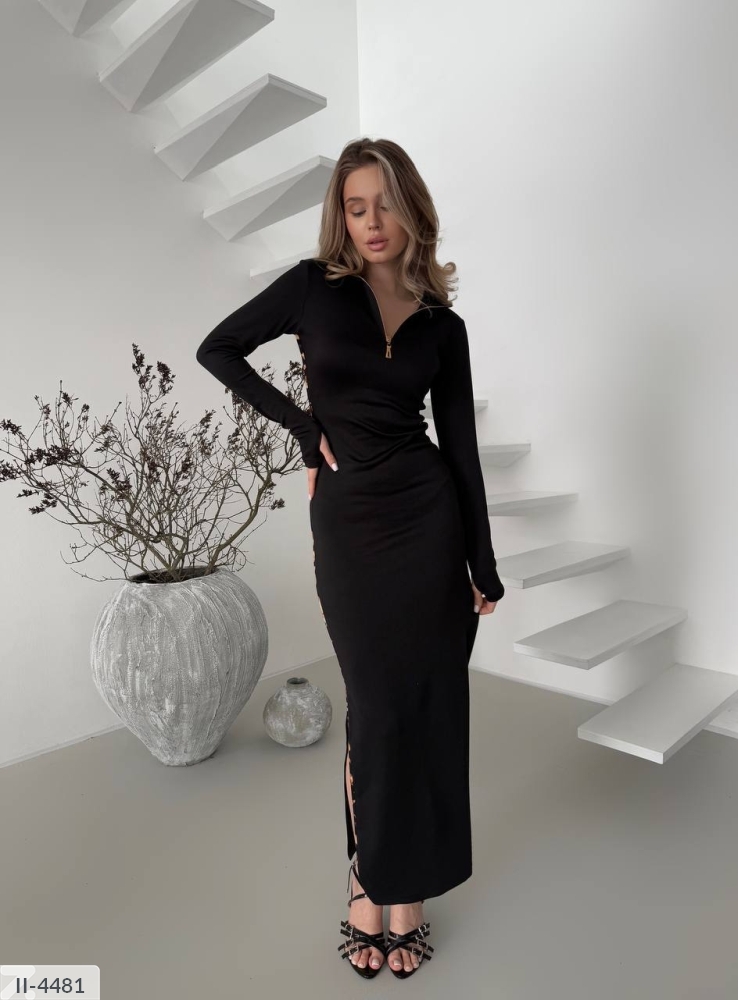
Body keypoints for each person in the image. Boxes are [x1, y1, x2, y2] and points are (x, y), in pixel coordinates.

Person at [195, 137, 504, 980]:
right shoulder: (311, 288)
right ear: (341, 214)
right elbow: (218, 348)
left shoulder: (443, 325)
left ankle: (408, 895)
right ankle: (369, 881)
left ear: (412, 211)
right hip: (352, 525)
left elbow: (461, 447)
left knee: (426, 709)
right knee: (373, 708)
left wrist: (480, 562)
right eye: (355, 206)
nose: (370, 222)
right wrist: (305, 430)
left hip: (430, 523)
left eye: (384, 204)